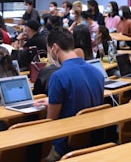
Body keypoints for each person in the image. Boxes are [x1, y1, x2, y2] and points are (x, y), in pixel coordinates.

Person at [34, 28, 104, 161]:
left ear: (55, 48)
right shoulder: (97, 72)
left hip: (65, 147)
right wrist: (55, 100)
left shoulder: (59, 77)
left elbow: (51, 122)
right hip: (92, 141)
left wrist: (52, 105)